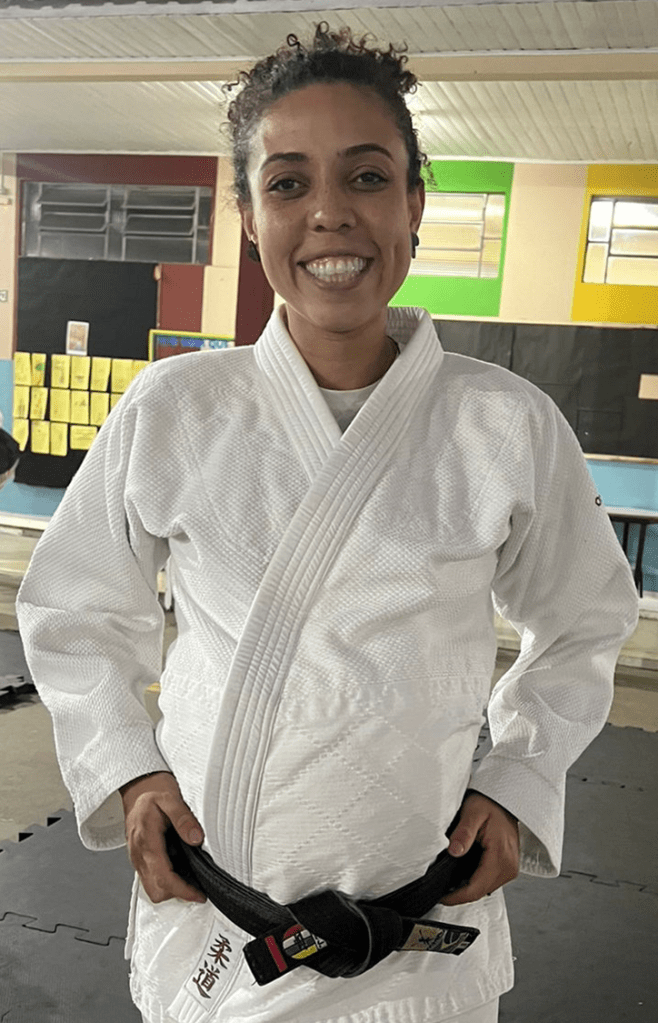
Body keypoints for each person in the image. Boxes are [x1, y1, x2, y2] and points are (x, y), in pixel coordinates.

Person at [16, 23, 638, 1023]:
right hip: (219, 913)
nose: (330, 214)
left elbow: (586, 617)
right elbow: (73, 609)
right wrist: (128, 768)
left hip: (421, 915)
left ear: (414, 204)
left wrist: (520, 776)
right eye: (288, 183)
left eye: (366, 177)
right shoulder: (175, 409)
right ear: (249, 216)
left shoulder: (505, 423)